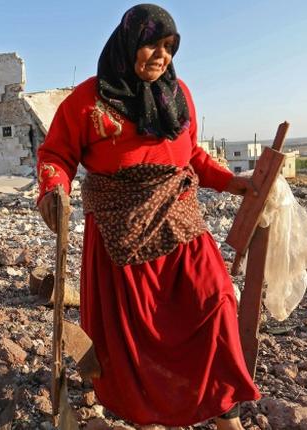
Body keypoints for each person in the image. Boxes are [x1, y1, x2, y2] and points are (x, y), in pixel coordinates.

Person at [36, 4, 261, 429]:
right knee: (136, 337)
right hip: (121, 235)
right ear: (127, 44)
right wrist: (53, 190)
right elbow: (56, 155)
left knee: (214, 303)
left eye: (170, 47)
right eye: (152, 44)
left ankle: (222, 410)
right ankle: (147, 414)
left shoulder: (180, 95)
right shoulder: (86, 101)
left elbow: (191, 153)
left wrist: (230, 181)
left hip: (181, 223)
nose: (161, 55)